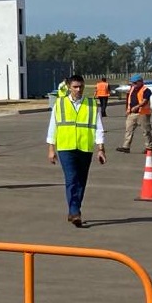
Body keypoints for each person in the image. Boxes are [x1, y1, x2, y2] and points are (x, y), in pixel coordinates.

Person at [46, 73, 106, 227]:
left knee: (81, 181)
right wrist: (51, 148)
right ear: (69, 87)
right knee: (72, 179)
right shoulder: (59, 104)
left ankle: (74, 209)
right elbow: (53, 127)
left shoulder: (92, 104)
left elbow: (98, 127)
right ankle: (75, 212)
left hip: (85, 148)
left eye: (81, 87)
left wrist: (101, 148)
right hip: (66, 147)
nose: (78, 89)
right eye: (75, 87)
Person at [116, 74, 152, 154]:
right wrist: (128, 110)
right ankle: (126, 147)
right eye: (132, 83)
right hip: (132, 113)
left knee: (146, 131)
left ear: (140, 82)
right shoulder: (132, 89)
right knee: (128, 130)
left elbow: (145, 101)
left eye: (134, 83)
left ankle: (149, 148)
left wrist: (137, 107)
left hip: (143, 113)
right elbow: (129, 100)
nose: (133, 84)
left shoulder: (146, 90)